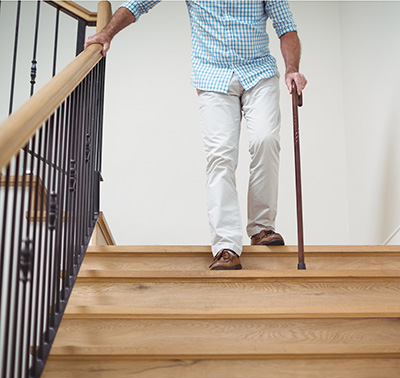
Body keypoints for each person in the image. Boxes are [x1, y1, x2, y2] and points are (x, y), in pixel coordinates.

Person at [85, 0, 307, 271]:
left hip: (258, 73)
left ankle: (262, 229)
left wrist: (292, 69)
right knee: (220, 156)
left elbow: (286, 27)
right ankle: (226, 245)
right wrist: (107, 33)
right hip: (212, 77)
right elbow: (138, 4)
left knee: (266, 140)